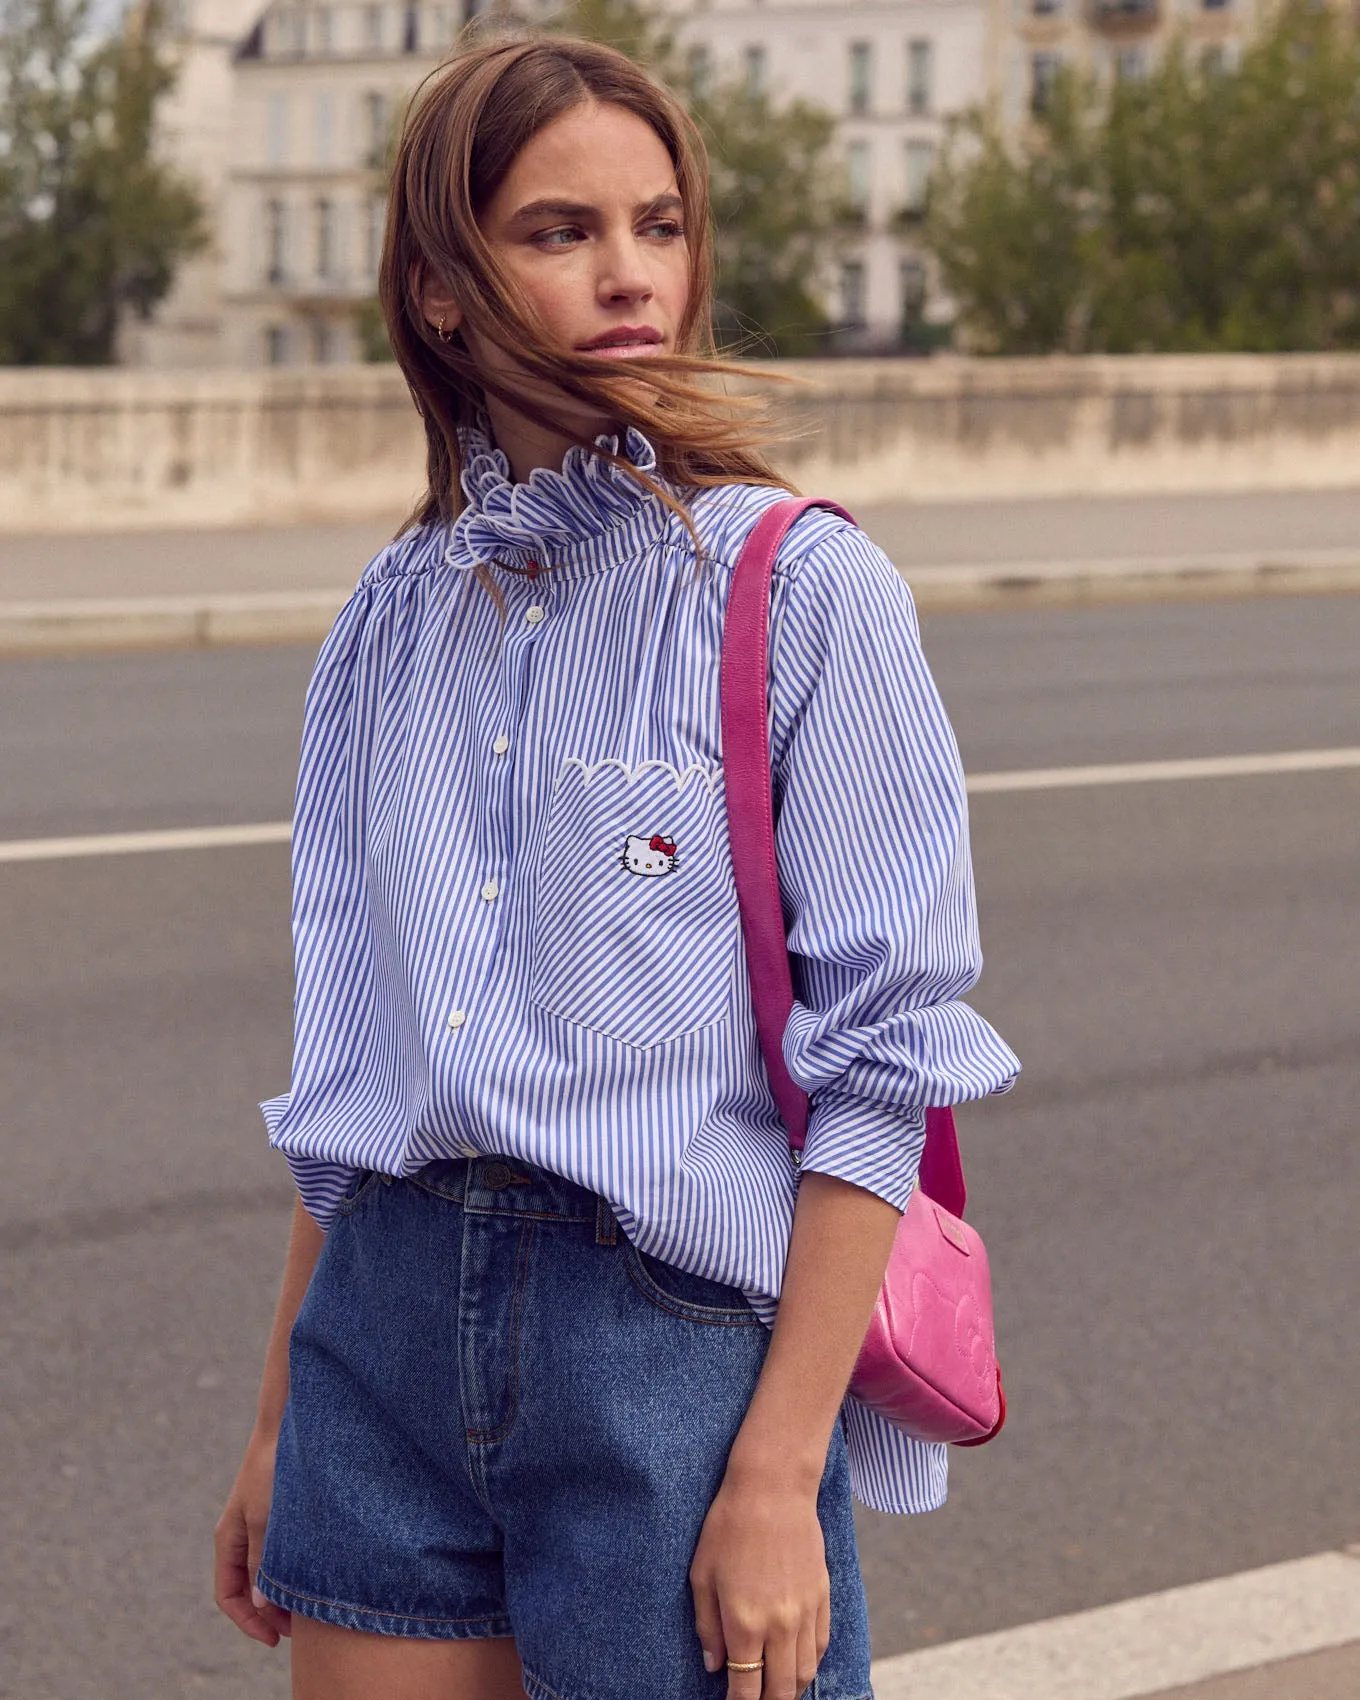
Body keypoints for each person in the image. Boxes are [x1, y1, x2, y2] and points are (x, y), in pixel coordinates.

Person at [213, 32, 1019, 1700]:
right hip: (385, 1330)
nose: (630, 275)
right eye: (559, 232)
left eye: (658, 225)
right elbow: (358, 1066)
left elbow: (880, 1065)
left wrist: (782, 1475)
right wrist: (285, 1413)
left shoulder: (801, 590)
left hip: (665, 1343)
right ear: (442, 289)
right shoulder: (388, 619)